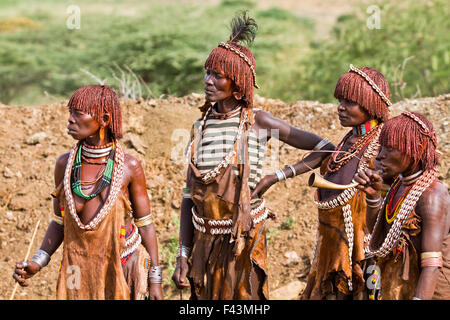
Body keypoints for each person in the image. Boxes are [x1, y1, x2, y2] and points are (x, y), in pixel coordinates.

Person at [171, 12, 334, 300]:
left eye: (217, 76)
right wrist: (182, 254)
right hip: (203, 243)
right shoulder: (200, 125)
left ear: (237, 83)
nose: (208, 81)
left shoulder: (258, 122)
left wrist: (276, 175)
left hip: (242, 242)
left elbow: (324, 147)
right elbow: (188, 195)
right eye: (207, 73)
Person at [12, 84, 164, 300]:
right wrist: (38, 261)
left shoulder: (129, 166)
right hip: (78, 270)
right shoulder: (65, 164)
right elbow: (59, 221)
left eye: (78, 113)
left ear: (104, 119)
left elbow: (145, 224)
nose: (70, 119)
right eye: (70, 112)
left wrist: (155, 281)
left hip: (121, 266)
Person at [301, 65, 392, 300]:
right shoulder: (347, 142)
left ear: (371, 105)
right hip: (332, 251)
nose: (340, 107)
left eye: (349, 102)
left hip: (367, 256)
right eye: (339, 100)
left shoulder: (385, 146)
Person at [354, 111, 449, 300]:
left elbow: (432, 264)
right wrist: (373, 196)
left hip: (429, 292)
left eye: (389, 149)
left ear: (416, 149)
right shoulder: (400, 184)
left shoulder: (432, 196)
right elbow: (379, 235)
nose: (379, 156)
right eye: (381, 148)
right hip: (399, 286)